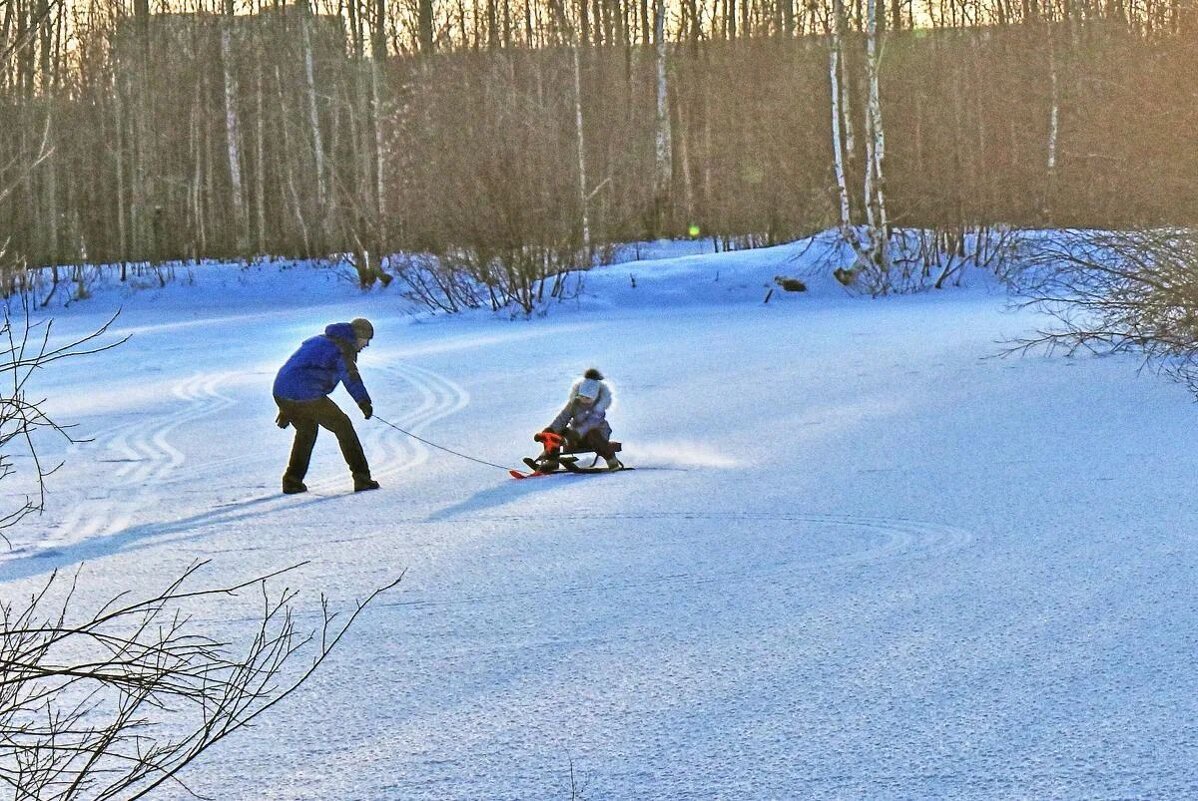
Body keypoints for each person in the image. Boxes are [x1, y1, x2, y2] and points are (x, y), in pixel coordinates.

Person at [273, 318, 380, 494]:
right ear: (358, 336)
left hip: (281, 391)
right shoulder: (343, 349)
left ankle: (292, 481)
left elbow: (294, 369)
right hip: (306, 394)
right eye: (366, 340)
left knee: (306, 431)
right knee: (344, 427)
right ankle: (362, 478)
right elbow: (351, 377)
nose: (366, 345)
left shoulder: (320, 340)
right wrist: (363, 401)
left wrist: (286, 406)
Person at [539, 368, 622, 471]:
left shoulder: (598, 408)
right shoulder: (574, 404)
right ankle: (552, 461)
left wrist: (576, 433)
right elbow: (562, 418)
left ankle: (611, 460)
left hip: (597, 437)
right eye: (581, 396)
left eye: (588, 398)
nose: (583, 399)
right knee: (555, 434)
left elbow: (591, 423)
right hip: (575, 437)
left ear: (595, 397)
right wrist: (550, 431)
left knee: (593, 433)